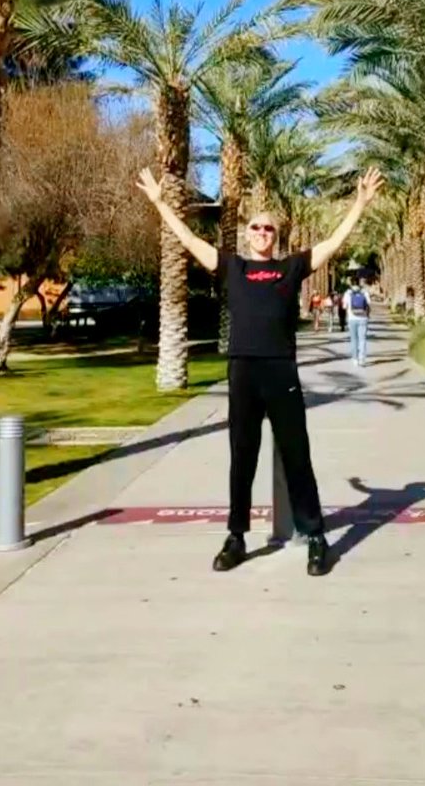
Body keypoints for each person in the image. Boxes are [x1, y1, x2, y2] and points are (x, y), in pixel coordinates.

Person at [136, 166, 384, 577]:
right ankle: (236, 536)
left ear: (276, 235)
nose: (262, 233)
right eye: (256, 227)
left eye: (269, 229)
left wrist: (359, 203)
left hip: (281, 371)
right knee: (242, 457)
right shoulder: (232, 267)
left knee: (297, 456)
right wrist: (161, 203)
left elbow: (333, 243)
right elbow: (190, 240)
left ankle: (317, 538)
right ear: (247, 233)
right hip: (243, 372)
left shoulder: (290, 269)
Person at [343, 279, 371, 367]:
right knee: (362, 339)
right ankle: (362, 359)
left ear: (351, 284)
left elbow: (344, 306)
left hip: (352, 319)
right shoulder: (365, 293)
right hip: (363, 318)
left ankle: (355, 359)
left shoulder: (348, 293)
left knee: (354, 340)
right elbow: (369, 304)